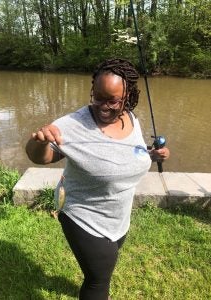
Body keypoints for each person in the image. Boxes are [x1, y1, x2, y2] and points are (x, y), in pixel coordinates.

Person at [26, 58, 170, 300]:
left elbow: (129, 150)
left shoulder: (132, 119)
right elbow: (40, 157)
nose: (103, 106)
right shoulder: (71, 125)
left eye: (112, 100)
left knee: (102, 265)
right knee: (98, 280)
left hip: (118, 217)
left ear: (128, 97)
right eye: (98, 97)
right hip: (81, 214)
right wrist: (39, 141)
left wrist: (152, 155)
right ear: (92, 90)